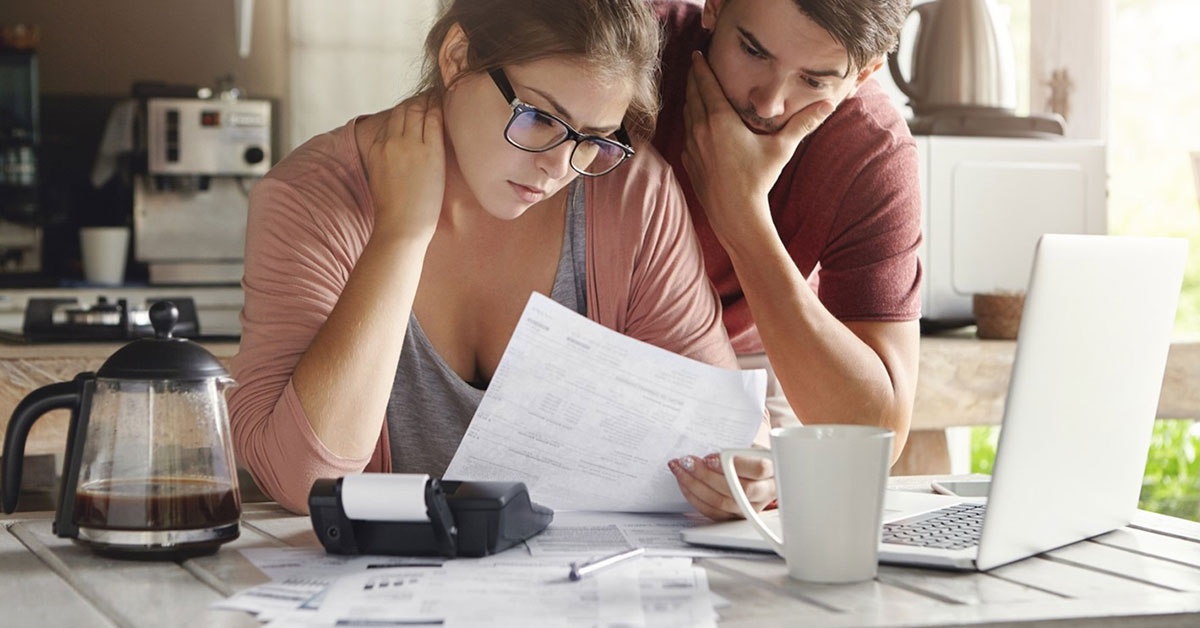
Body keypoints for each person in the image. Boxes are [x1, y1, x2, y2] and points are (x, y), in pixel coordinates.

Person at [228, 0, 773, 516]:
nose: (560, 167)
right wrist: (401, 234)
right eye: (539, 117)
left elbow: (717, 429)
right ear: (457, 57)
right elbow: (303, 480)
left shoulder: (630, 193)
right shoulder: (311, 198)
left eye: (595, 138)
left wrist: (748, 472)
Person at [655, 0, 923, 517]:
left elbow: (876, 436)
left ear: (862, 74)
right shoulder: (631, 47)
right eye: (753, 51)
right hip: (589, 328)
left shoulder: (872, 152)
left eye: (815, 80)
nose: (770, 103)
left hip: (756, 361)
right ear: (714, 7)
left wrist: (742, 217)